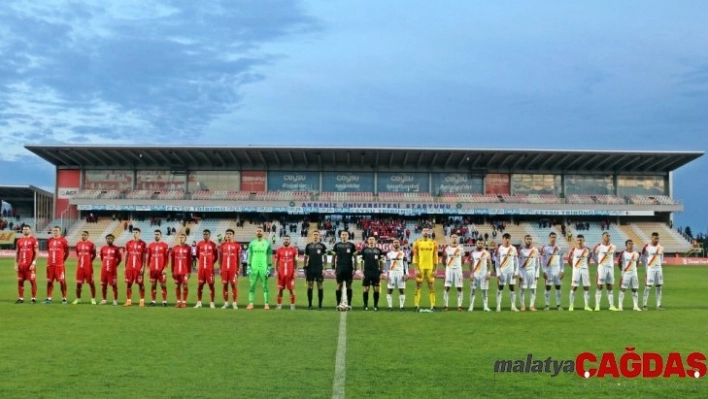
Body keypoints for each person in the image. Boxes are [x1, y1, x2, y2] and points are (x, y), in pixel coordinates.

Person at [412, 227, 439, 312]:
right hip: (420, 269)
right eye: (424, 230)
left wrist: (435, 269)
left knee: (431, 287)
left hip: (430, 269)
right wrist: (416, 269)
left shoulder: (433, 243)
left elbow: (435, 257)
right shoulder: (417, 243)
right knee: (418, 287)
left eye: (427, 231)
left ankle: (433, 306)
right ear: (421, 232)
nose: (426, 232)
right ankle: (416, 306)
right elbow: (415, 256)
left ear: (429, 232)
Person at [246, 227, 273, 310]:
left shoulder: (267, 244)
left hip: (263, 268)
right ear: (255, 232)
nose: (259, 232)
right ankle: (251, 303)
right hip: (253, 268)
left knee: (265, 286)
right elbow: (249, 255)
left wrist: (269, 268)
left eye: (260, 231)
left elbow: (269, 256)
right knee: (252, 286)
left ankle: (266, 304)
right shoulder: (252, 243)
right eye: (257, 231)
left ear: (263, 233)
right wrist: (248, 266)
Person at [593, 232, 618, 311]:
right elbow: (593, 255)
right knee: (600, 286)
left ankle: (611, 305)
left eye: (609, 236)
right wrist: (598, 263)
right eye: (607, 236)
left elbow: (612, 256)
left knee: (610, 286)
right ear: (603, 237)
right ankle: (597, 305)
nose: (608, 237)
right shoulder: (598, 246)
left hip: (610, 268)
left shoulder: (613, 247)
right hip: (602, 267)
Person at [43, 226, 69, 304]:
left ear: (60, 232)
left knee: (62, 282)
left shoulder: (63, 240)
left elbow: (67, 252)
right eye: (54, 230)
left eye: (57, 230)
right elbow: (48, 250)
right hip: (50, 265)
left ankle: (64, 298)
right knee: (49, 281)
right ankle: (49, 298)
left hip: (59, 265)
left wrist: (62, 260)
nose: (55, 232)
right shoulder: (49, 240)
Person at [494, 233, 519, 312]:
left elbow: (516, 261)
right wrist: (498, 273)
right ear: (503, 239)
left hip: (511, 272)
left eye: (508, 238)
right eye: (505, 238)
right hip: (502, 272)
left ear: (510, 239)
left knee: (512, 288)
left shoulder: (513, 249)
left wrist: (516, 271)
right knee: (500, 288)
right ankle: (498, 306)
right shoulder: (499, 249)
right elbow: (497, 262)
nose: (507, 240)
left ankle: (513, 306)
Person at [333, 230, 357, 311]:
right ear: (340, 236)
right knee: (339, 285)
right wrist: (333, 268)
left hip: (349, 268)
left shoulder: (351, 245)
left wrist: (355, 268)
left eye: (345, 234)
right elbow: (333, 257)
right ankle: (338, 303)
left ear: (348, 236)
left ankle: (349, 304)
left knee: (349, 285)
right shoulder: (337, 245)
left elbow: (355, 258)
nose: (344, 235)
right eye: (342, 234)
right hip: (339, 268)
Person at [194, 230, 218, 308]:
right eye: (204, 234)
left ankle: (212, 302)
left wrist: (211, 263)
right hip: (201, 269)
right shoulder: (199, 244)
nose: (205, 235)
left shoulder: (213, 245)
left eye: (206, 234)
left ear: (209, 235)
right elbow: (197, 255)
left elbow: (216, 257)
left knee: (211, 285)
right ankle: (199, 302)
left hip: (209, 269)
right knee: (200, 285)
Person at [123, 228, 147, 307]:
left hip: (138, 267)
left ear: (139, 233)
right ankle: (129, 301)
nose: (135, 233)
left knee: (141, 284)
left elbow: (144, 256)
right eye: (133, 232)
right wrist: (124, 266)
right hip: (130, 267)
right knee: (129, 284)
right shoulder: (128, 243)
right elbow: (126, 255)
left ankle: (142, 301)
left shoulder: (143, 243)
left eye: (136, 232)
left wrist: (143, 266)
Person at [15, 225, 38, 304]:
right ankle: (21, 298)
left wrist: (33, 263)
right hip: (21, 265)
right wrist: (16, 264)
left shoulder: (33, 240)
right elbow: (17, 253)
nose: (25, 230)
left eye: (26, 229)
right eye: (24, 229)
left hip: (30, 265)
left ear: (30, 230)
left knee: (32, 281)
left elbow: (37, 252)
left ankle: (33, 298)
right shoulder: (19, 241)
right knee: (20, 281)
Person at [568, 235, 592, 311]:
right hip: (576, 270)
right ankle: (571, 305)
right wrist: (574, 268)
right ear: (576, 241)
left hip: (585, 270)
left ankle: (586, 305)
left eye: (581, 240)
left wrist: (585, 266)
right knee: (574, 287)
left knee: (586, 287)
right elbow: (569, 260)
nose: (579, 241)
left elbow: (588, 259)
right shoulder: (573, 250)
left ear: (583, 240)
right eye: (578, 240)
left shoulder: (587, 250)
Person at [641, 232, 665, 310]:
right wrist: (646, 269)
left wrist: (659, 265)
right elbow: (643, 258)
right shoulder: (647, 247)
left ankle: (658, 305)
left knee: (659, 287)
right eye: (655, 238)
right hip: (650, 268)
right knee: (648, 287)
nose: (657, 240)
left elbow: (661, 258)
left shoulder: (661, 247)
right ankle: (644, 305)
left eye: (658, 238)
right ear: (651, 238)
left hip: (658, 268)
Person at [303, 231, 327, 310]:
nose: (316, 236)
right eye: (314, 235)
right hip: (310, 267)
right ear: (312, 236)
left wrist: (324, 268)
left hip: (319, 268)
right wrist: (304, 267)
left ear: (319, 236)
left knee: (320, 285)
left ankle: (320, 305)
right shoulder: (308, 246)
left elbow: (325, 258)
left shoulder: (322, 246)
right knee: (310, 285)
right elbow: (306, 257)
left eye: (317, 235)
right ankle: (310, 304)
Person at [540, 232, 564, 311]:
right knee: (548, 287)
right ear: (549, 238)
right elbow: (542, 260)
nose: (553, 238)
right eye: (552, 237)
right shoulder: (545, 248)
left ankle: (558, 305)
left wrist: (562, 271)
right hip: (548, 270)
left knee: (558, 287)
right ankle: (547, 305)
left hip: (557, 270)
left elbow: (561, 260)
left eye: (554, 237)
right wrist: (544, 271)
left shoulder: (559, 248)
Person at [72, 231, 97, 305]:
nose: (83, 236)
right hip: (80, 267)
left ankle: (93, 299)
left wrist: (89, 261)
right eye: (82, 235)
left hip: (88, 268)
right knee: (78, 284)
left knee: (91, 283)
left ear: (88, 236)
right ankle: (78, 299)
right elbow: (77, 254)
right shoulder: (78, 244)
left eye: (85, 235)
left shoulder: (91, 244)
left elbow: (94, 255)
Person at [617, 239, 642, 311]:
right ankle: (620, 306)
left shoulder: (636, 254)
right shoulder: (623, 253)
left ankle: (635, 306)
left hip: (634, 274)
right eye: (629, 244)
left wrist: (634, 270)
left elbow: (637, 263)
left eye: (632, 244)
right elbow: (619, 263)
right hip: (626, 274)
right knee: (623, 289)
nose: (631, 245)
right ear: (626, 245)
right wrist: (623, 272)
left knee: (635, 289)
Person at [274, 235, 298, 310]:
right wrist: (275, 271)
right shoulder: (279, 250)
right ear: (283, 240)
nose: (286, 240)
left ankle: (292, 305)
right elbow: (276, 261)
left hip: (290, 273)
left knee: (291, 289)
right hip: (281, 273)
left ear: (290, 241)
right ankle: (279, 305)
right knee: (280, 289)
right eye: (285, 239)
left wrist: (295, 271)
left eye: (287, 239)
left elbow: (296, 261)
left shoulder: (294, 250)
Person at [517, 235, 541, 312]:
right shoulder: (521, 250)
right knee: (522, 289)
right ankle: (523, 305)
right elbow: (518, 263)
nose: (529, 240)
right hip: (523, 272)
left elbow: (538, 263)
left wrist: (537, 274)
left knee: (533, 289)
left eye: (530, 239)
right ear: (524, 240)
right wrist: (519, 274)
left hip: (532, 272)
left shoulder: (535, 250)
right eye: (527, 239)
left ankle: (531, 306)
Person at [219, 229, 241, 309]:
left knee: (233, 285)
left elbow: (238, 259)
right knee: (225, 285)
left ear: (233, 235)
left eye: (230, 234)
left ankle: (234, 303)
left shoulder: (237, 246)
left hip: (233, 269)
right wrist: (220, 268)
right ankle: (226, 303)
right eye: (227, 234)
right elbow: (220, 258)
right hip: (224, 269)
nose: (228, 235)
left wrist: (238, 269)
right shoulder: (222, 246)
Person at [360, 236, 384, 311]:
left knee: (376, 289)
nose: (371, 241)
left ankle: (375, 305)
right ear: (367, 241)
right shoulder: (364, 250)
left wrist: (381, 272)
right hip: (366, 272)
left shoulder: (379, 250)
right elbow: (361, 261)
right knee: (366, 289)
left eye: (373, 239)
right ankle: (365, 305)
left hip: (376, 272)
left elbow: (381, 262)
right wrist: (361, 272)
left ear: (375, 241)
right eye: (370, 239)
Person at [147, 230, 170, 307]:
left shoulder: (165, 245)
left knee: (163, 285)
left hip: (161, 270)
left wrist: (165, 268)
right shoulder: (150, 245)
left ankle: (164, 301)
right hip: (153, 269)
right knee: (153, 285)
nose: (156, 235)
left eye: (158, 234)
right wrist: (147, 268)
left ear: (161, 235)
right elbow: (148, 258)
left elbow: (167, 258)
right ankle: (153, 301)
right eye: (155, 234)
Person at [442, 233, 465, 311]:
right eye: (453, 237)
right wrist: (447, 267)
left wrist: (458, 266)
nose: (454, 238)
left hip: (458, 270)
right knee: (447, 287)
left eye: (456, 237)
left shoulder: (461, 248)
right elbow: (443, 259)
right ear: (450, 238)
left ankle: (459, 306)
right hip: (449, 270)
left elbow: (463, 260)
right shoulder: (447, 249)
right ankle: (445, 306)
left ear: (457, 238)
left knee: (459, 287)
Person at [468, 239, 492, 312]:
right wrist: (471, 273)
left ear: (483, 244)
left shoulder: (487, 253)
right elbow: (470, 264)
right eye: (479, 243)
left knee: (484, 291)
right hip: (475, 274)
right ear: (476, 243)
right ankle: (471, 306)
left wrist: (489, 272)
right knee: (473, 291)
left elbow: (489, 263)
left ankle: (485, 306)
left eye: (481, 243)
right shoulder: (473, 253)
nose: (480, 244)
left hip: (484, 275)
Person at [385, 238, 408, 311]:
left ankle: (401, 307)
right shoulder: (389, 254)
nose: (396, 243)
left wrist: (406, 274)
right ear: (392, 244)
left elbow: (406, 264)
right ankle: (390, 307)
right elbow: (387, 265)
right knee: (389, 290)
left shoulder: (403, 253)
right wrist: (386, 274)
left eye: (397, 242)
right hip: (392, 273)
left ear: (399, 244)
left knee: (401, 290)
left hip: (400, 273)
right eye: (395, 242)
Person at [171, 233, 192, 308]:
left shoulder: (188, 248)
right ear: (178, 238)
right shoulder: (174, 248)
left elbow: (190, 261)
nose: (181, 239)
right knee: (177, 286)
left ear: (185, 239)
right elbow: (172, 261)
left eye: (183, 237)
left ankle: (184, 302)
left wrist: (189, 271)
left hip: (185, 271)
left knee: (185, 286)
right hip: (176, 271)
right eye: (180, 237)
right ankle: (178, 301)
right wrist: (172, 271)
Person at [99, 234, 121, 305]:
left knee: (114, 285)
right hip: (104, 270)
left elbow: (119, 259)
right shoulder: (103, 248)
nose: (109, 240)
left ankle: (115, 300)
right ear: (106, 239)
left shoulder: (116, 249)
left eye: (111, 238)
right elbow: (102, 258)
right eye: (108, 238)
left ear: (113, 239)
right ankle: (104, 299)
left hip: (112, 271)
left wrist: (115, 265)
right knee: (103, 285)